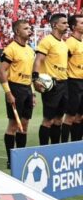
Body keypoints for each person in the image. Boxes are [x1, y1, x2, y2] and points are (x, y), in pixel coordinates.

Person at [0, 20, 36, 168]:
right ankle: (11, 159)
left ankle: (21, 157)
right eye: (26, 28)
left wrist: (32, 93)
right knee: (13, 125)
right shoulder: (10, 49)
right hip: (15, 88)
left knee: (25, 124)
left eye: (29, 27)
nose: (29, 30)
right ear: (17, 32)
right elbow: (1, 72)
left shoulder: (30, 49)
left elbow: (30, 73)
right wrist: (8, 92)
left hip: (27, 89)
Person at [33, 13, 70, 145]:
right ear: (55, 25)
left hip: (64, 84)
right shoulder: (47, 41)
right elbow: (38, 60)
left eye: (67, 23)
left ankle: (55, 149)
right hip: (52, 85)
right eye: (64, 23)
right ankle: (44, 149)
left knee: (59, 119)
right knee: (48, 120)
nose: (67, 25)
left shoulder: (64, 44)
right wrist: (35, 79)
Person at [66, 15, 83, 142]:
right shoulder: (70, 43)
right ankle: (65, 146)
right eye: (81, 23)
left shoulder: (81, 41)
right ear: (74, 27)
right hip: (73, 83)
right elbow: (63, 61)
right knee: (71, 116)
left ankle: (77, 144)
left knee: (80, 116)